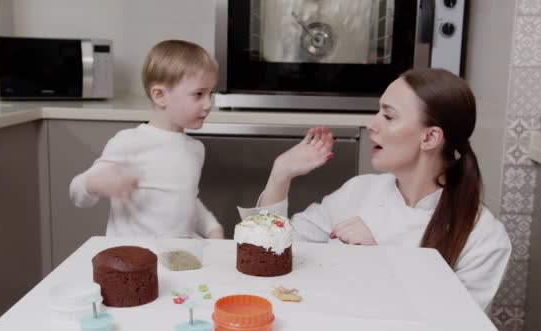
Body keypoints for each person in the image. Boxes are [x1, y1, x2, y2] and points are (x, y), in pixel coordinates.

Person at [238, 68, 511, 310]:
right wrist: (281, 173)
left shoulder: (484, 238)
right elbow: (267, 251)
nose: (372, 124)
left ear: (429, 137)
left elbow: (454, 327)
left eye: (389, 116)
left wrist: (380, 262)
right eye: (378, 111)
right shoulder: (358, 191)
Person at [70, 39, 224, 239]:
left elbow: (184, 200)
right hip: (131, 259)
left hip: (175, 257)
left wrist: (211, 226)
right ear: (160, 96)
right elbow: (77, 192)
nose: (208, 104)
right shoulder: (128, 142)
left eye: (210, 93)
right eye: (199, 94)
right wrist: (94, 183)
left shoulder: (196, 149)